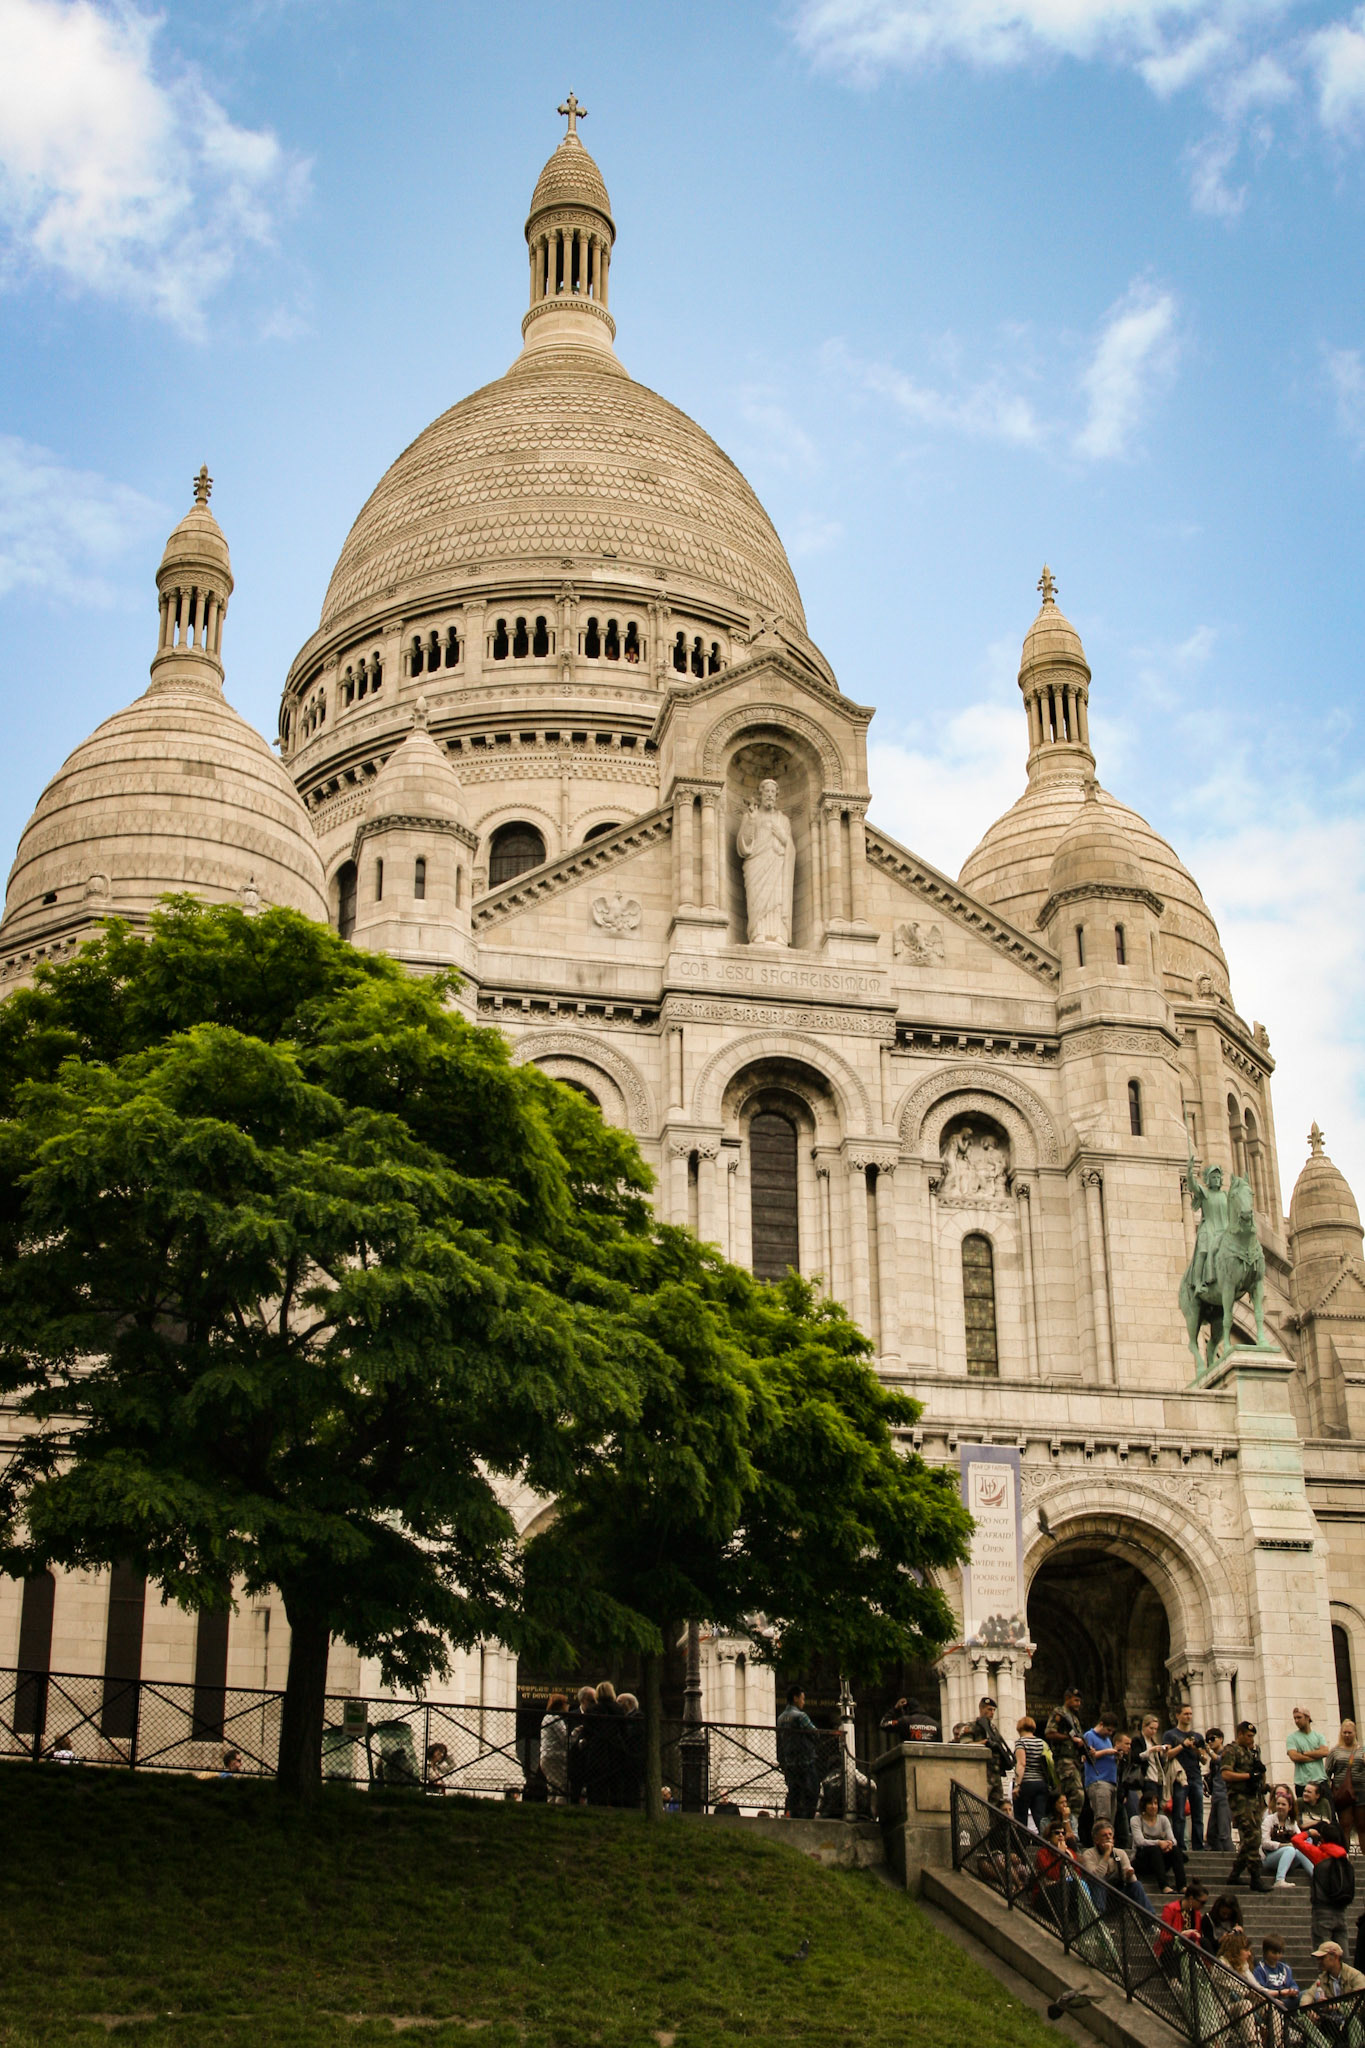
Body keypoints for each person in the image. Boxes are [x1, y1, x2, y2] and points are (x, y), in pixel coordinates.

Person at [1223, 1719, 1270, 1891]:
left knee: (1252, 1838)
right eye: (1249, 1736)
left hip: (1253, 1799)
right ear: (1240, 1734)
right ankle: (1255, 1877)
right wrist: (1248, 1776)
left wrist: (1262, 1781)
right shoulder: (1231, 1750)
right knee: (1253, 1835)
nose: (1251, 1739)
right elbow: (1226, 1774)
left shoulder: (1250, 1752)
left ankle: (1235, 1875)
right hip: (1240, 1799)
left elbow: (1256, 1775)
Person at [1080, 1821, 1153, 1916]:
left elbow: (1130, 1879)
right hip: (1096, 1893)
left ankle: (1150, 1921)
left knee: (1137, 1885)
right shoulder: (1088, 1854)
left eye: (1110, 1834)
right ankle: (1098, 1921)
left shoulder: (1120, 1853)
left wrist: (1129, 1875)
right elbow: (1095, 1876)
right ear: (1096, 1840)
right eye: (1104, 1835)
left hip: (1117, 1893)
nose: (1108, 1837)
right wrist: (1106, 1855)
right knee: (1098, 1883)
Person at [1164, 1705, 1208, 1852]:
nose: (1188, 1716)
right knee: (1179, 1814)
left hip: (1195, 1776)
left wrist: (1197, 1749)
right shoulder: (1170, 1735)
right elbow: (1167, 1755)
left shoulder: (1198, 1736)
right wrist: (1183, 1745)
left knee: (1198, 1814)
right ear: (1178, 1716)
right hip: (1179, 1776)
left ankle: (1198, 1846)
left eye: (1190, 1714)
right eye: (1185, 1714)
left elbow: (1204, 1760)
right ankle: (1180, 1846)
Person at [776, 1685, 821, 1820]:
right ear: (795, 1698)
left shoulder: (781, 1718)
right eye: (802, 1699)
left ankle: (795, 1817)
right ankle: (808, 1817)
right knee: (812, 1789)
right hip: (805, 1760)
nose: (803, 1702)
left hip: (789, 1761)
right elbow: (815, 1732)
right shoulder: (800, 1716)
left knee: (794, 1791)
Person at [1131, 1788, 1187, 1892]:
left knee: (1175, 1850)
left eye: (1155, 1803)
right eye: (1150, 1804)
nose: (1153, 1806)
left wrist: (1169, 1844)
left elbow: (1173, 1839)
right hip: (1142, 1859)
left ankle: (1182, 1885)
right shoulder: (1136, 1820)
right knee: (1154, 1849)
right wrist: (1159, 1843)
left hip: (1161, 1858)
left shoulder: (1163, 1819)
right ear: (1144, 1805)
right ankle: (1164, 1886)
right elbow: (1139, 1841)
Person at [1261, 1782, 1314, 1887]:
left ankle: (1316, 1876)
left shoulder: (1291, 1822)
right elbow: (1265, 1843)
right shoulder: (1269, 1820)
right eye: (1278, 1804)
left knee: (1301, 1849)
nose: (1280, 1807)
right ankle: (1279, 1880)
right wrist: (1284, 1846)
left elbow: (1300, 1838)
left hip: (1289, 1857)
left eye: (1283, 1804)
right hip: (1270, 1857)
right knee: (1290, 1849)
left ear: (1289, 1807)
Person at [1325, 1719, 1365, 1857]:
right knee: (1345, 1824)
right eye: (1345, 1732)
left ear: (1355, 1733)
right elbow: (1327, 1772)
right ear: (1341, 1733)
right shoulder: (1335, 1751)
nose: (1347, 1735)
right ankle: (1345, 1855)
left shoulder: (1362, 1750)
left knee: (1362, 1825)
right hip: (1343, 1792)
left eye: (1350, 1732)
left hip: (1361, 1791)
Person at [1043, 1688, 1088, 1811]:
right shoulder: (1060, 1713)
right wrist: (1069, 1738)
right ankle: (1070, 1820)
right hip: (1064, 1760)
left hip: (1075, 1760)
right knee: (1076, 1794)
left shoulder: (1074, 1717)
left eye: (1079, 1701)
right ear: (1067, 1699)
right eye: (1076, 1700)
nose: (1078, 1704)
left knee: (1068, 1795)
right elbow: (1049, 1733)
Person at [967, 1696, 1013, 1805]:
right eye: (989, 1709)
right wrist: (984, 1743)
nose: (992, 1713)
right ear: (981, 1709)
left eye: (994, 1710)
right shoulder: (972, 1726)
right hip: (982, 1772)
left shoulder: (993, 1729)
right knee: (981, 1804)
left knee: (997, 1806)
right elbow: (965, 1745)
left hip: (996, 1773)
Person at [1012, 1714, 1052, 1836]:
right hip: (1041, 1784)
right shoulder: (1042, 1743)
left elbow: (1021, 1763)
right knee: (1040, 1817)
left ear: (1019, 1728)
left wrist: (1017, 1785)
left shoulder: (1021, 1742)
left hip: (1026, 1783)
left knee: (1021, 1818)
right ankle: (1048, 1843)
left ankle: (1022, 1848)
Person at [1288, 1705, 1331, 1812]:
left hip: (1320, 1781)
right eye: (1295, 1718)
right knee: (1304, 1815)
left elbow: (1325, 1752)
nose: (1296, 1721)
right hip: (1302, 1783)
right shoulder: (1292, 1738)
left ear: (1307, 1718)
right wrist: (1316, 1755)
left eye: (1299, 1717)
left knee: (1328, 1813)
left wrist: (1305, 1753)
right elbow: (1294, 1756)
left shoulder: (1318, 1736)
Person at [1082, 1713, 1120, 1833]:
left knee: (1110, 1819)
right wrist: (1107, 1751)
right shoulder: (1089, 1735)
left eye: (1112, 1731)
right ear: (1101, 1724)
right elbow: (1088, 1755)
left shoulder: (1107, 1740)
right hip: (1098, 1780)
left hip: (1111, 1781)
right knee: (1102, 1817)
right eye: (1108, 1730)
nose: (1110, 1733)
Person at [1253, 1936, 1300, 2014]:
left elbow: (1293, 1984)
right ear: (1265, 1952)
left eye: (1280, 1953)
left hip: (1286, 2000)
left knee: (1305, 1995)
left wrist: (1293, 1990)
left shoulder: (1285, 1968)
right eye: (1274, 1953)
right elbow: (1260, 1992)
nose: (1277, 1956)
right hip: (1270, 2001)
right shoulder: (1259, 1970)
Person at [538, 1693, 570, 1804]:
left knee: (552, 1787)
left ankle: (551, 1808)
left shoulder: (547, 1718)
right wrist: (576, 1733)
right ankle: (560, 1809)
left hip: (546, 1755)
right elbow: (565, 1739)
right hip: (555, 1756)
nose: (568, 1706)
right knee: (562, 1786)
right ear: (561, 1705)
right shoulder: (555, 1719)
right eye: (566, 1703)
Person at [1205, 1727, 1233, 1852]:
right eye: (1208, 1740)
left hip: (1225, 1796)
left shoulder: (1228, 1752)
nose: (1210, 1742)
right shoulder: (1212, 1760)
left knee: (1224, 1833)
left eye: (1212, 1739)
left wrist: (1208, 1751)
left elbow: (1221, 1760)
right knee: (1211, 1834)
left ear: (1220, 1739)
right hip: (1216, 1796)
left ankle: (1232, 1859)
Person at [615, 1691, 644, 1809]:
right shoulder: (629, 1717)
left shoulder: (637, 1717)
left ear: (628, 1703)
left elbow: (629, 1735)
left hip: (634, 1760)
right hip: (629, 1760)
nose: (617, 1705)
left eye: (619, 1702)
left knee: (632, 1789)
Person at [1201, 1892, 1244, 1958]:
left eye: (1229, 1914)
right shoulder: (1208, 1919)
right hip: (1214, 1951)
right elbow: (1207, 1943)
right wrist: (1220, 1940)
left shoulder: (1235, 1920)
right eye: (1223, 1913)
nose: (1226, 1916)